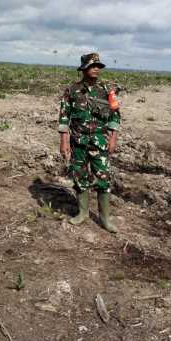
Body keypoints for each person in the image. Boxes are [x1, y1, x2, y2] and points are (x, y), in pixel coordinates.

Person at [58, 52, 121, 233]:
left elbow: (115, 115)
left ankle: (105, 219)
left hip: (100, 141)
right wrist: (64, 141)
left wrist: (113, 138)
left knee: (103, 178)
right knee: (80, 178)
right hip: (78, 141)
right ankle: (83, 213)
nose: (96, 69)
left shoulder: (107, 90)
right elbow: (64, 117)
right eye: (93, 66)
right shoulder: (72, 90)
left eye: (98, 67)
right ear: (84, 69)